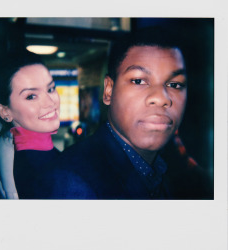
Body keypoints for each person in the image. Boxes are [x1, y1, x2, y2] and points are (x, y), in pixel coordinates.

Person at [51, 26, 213, 199]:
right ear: (108, 91)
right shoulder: (71, 181)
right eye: (138, 81)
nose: (161, 98)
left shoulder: (166, 172)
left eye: (175, 84)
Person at [0, 51, 61, 199]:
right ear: (4, 111)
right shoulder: (37, 168)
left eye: (50, 89)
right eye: (31, 96)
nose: (50, 102)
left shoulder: (3, 141)